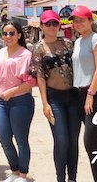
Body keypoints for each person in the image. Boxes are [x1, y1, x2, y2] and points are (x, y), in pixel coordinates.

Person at [33, 10, 79, 182]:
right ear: (42, 26)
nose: (52, 27)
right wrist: (45, 103)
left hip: (73, 97)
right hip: (54, 99)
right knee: (61, 140)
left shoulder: (68, 43)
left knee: (73, 140)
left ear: (59, 24)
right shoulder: (39, 48)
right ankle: (61, 178)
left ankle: (72, 178)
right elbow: (40, 77)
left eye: (55, 23)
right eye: (48, 24)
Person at [71, 5, 97, 182]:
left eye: (82, 19)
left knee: (90, 143)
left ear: (90, 21)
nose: (78, 23)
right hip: (81, 95)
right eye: (75, 20)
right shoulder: (78, 42)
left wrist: (90, 94)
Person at [0, 20, 37, 182]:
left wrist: (12, 92)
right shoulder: (1, 52)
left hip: (21, 101)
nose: (8, 36)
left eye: (12, 33)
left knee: (21, 140)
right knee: (3, 137)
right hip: (3, 102)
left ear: (19, 35)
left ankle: (23, 174)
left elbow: (32, 82)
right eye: (5, 33)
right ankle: (15, 171)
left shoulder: (26, 54)